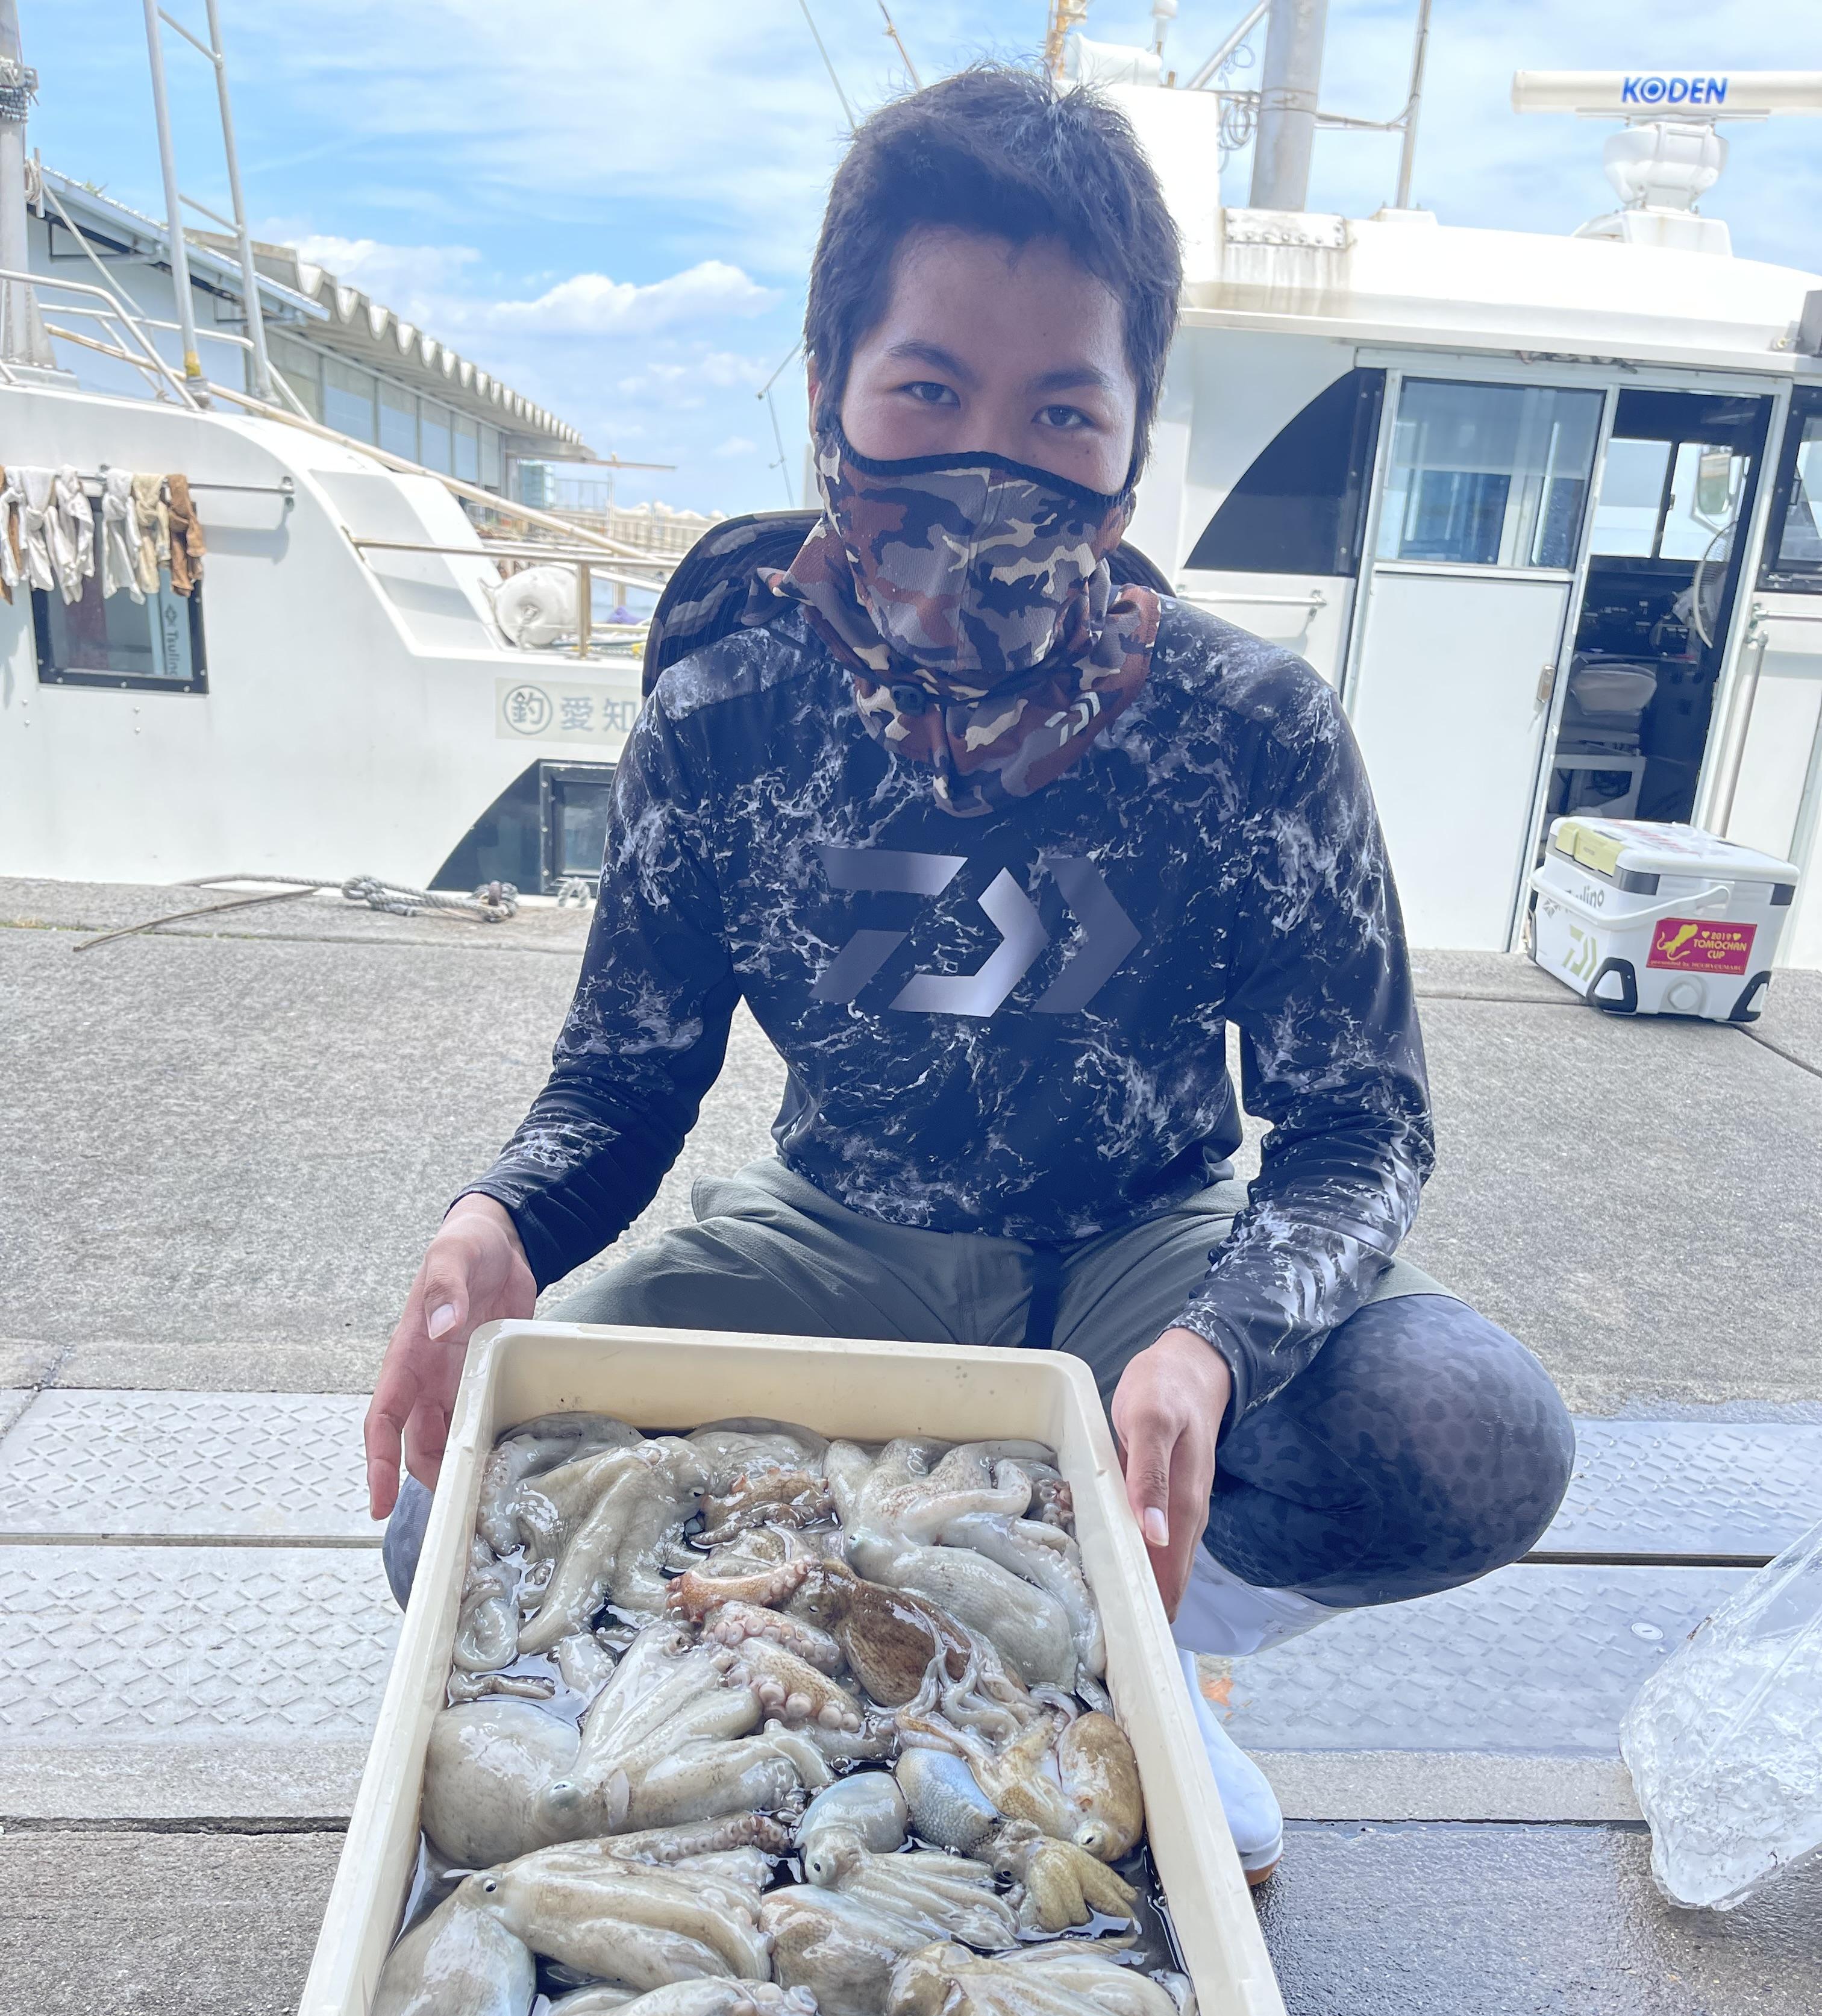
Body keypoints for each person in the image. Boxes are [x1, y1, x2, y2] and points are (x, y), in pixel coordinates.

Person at [365, 66, 1574, 1885]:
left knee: (1471, 1435)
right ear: (833, 391)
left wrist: (1216, 1346)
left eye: (1059, 409)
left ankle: (1129, 1671)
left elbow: (1358, 1130)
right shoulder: (721, 711)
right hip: (834, 1230)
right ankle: (828, 1685)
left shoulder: (1256, 729)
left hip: (1143, 1245)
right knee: (454, 1523)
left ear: (1133, 437)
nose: (988, 456)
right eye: (929, 390)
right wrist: (497, 1217)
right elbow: (628, 1078)